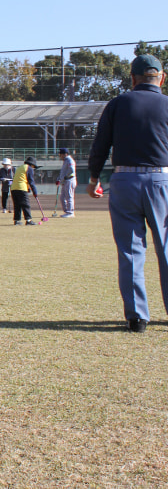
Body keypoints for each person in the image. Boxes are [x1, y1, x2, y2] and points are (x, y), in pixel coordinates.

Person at [87, 54, 168, 333]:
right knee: (166, 249)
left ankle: (137, 318)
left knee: (130, 252)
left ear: (132, 78)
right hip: (162, 180)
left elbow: (101, 143)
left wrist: (94, 177)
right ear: (162, 77)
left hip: (123, 180)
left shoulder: (118, 104)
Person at [11, 157, 39, 226]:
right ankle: (28, 220)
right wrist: (35, 192)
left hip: (13, 188)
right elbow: (31, 181)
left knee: (17, 205)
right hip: (21, 188)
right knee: (26, 204)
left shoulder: (20, 167)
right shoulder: (29, 168)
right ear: (32, 164)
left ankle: (17, 221)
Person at [56, 147, 77, 218]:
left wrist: (65, 177)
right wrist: (59, 179)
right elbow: (63, 171)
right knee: (62, 198)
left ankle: (70, 212)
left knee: (69, 197)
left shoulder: (70, 160)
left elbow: (71, 171)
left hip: (69, 180)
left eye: (61, 154)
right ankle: (67, 211)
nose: (60, 156)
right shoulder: (65, 161)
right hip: (65, 181)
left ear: (65, 154)